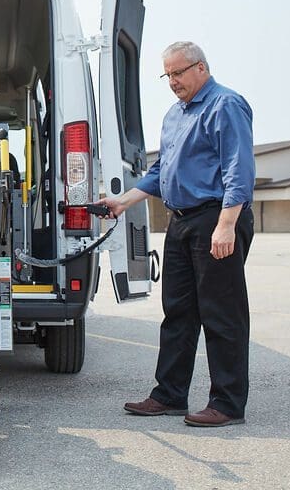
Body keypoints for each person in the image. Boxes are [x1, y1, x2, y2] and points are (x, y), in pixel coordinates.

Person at [97, 41, 255, 428]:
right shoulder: (174, 115)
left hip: (215, 219)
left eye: (179, 72)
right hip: (181, 221)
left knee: (222, 314)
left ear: (201, 67)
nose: (173, 82)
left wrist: (226, 224)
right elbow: (160, 170)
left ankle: (228, 403)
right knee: (179, 312)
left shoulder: (225, 105)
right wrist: (123, 201)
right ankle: (169, 395)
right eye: (167, 75)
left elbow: (239, 168)